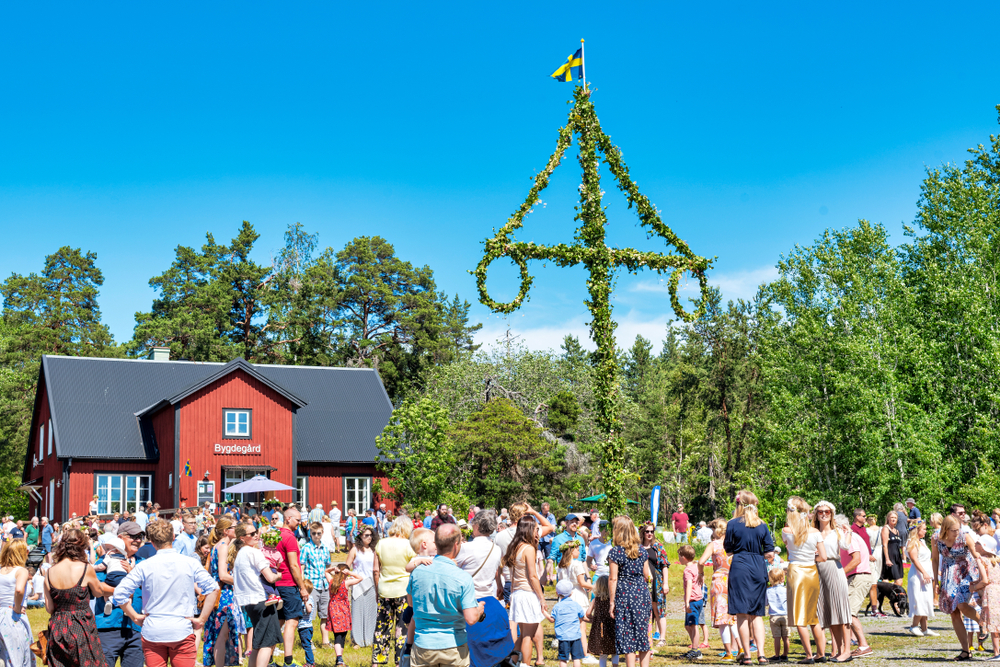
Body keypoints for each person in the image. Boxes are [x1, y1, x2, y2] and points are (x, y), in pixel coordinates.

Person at [112, 519, 220, 667]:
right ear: (173, 537)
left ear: (152, 542)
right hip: (181, 628)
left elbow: (119, 593)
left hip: (153, 629)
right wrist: (202, 619)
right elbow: (213, 588)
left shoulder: (144, 565)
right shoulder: (190, 563)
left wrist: (134, 616)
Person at [406, 523, 484, 667]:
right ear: (456, 545)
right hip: (453, 646)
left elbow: (411, 604)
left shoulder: (417, 572)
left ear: (436, 544)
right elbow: (471, 618)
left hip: (423, 645)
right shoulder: (462, 577)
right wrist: (478, 610)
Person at [44, 528, 116, 667]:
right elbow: (98, 592)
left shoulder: (49, 572)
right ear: (81, 547)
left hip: (58, 627)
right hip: (81, 625)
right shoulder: (85, 568)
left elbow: (49, 608)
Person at [724, 489, 775, 664]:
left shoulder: (732, 524)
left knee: (742, 614)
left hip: (740, 566)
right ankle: (761, 654)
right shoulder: (762, 525)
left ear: (739, 504)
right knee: (757, 614)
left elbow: (728, 549)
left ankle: (747, 655)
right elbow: (769, 552)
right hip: (758, 567)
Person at [503, 515, 553, 666]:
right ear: (529, 529)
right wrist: (542, 599)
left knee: (523, 634)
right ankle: (525, 664)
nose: (538, 532)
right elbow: (532, 576)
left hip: (517, 593)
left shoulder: (514, 547)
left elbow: (513, 576)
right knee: (527, 636)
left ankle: (512, 663)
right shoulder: (529, 548)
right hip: (527, 593)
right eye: (536, 529)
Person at [933, 514, 983, 661]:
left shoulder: (964, 537)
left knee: (961, 604)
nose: (957, 532)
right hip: (948, 576)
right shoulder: (936, 538)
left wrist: (983, 576)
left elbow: (977, 555)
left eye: (958, 529)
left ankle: (983, 623)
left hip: (965, 573)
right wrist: (936, 582)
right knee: (954, 613)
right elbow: (935, 559)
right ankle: (965, 651)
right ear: (945, 529)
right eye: (954, 530)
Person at [782, 496, 824, 663]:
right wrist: (811, 558)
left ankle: (808, 655)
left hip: (796, 572)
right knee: (813, 616)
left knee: (799, 616)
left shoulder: (786, 531)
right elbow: (823, 557)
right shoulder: (816, 532)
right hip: (812, 571)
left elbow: (788, 551)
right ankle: (821, 654)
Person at [372, 516, 416, 667]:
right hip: (403, 590)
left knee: (381, 627)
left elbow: (376, 570)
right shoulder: (409, 545)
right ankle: (399, 662)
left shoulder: (381, 543)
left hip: (384, 589)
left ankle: (377, 662)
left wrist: (377, 589)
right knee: (402, 628)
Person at [607, 516, 650, 667]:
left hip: (624, 595)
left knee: (628, 636)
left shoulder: (615, 552)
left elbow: (613, 578)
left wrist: (611, 602)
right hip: (642, 594)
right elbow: (646, 575)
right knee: (642, 634)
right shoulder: (642, 551)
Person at [813, 501, 851, 662]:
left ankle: (847, 651)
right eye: (820, 511)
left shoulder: (837, 532)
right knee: (830, 613)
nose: (823, 514)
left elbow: (845, 546)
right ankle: (839, 650)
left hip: (834, 569)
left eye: (827, 511)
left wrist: (848, 532)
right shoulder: (813, 532)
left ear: (831, 514)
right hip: (818, 571)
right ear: (816, 514)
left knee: (841, 611)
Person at [203, 517, 244, 667]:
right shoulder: (223, 546)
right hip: (224, 594)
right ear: (226, 531)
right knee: (222, 635)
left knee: (221, 634)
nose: (237, 529)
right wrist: (243, 582)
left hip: (219, 593)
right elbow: (223, 575)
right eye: (235, 527)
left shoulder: (218, 546)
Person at [834, 513, 873, 658]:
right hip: (856, 576)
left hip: (859, 576)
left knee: (849, 612)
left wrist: (841, 573)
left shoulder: (849, 537)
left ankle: (863, 645)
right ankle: (858, 644)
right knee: (848, 612)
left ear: (840, 526)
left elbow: (856, 559)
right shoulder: (846, 538)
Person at [698, 519, 737, 660]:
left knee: (722, 619)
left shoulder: (714, 544)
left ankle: (728, 652)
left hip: (719, 582)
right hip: (734, 581)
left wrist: (701, 573)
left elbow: (701, 561)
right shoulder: (734, 544)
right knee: (734, 618)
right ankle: (741, 648)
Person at [276, 507, 309, 665]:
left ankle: (268, 657)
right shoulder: (289, 537)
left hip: (276, 583)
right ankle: (288, 660)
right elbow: (294, 565)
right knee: (292, 621)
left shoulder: (275, 535)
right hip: (289, 583)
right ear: (288, 519)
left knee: (279, 621)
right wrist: (302, 587)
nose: (299, 523)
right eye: (297, 520)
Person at [557, 540, 594, 661]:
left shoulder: (561, 565)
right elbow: (582, 582)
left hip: (565, 596)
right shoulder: (577, 564)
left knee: (568, 626)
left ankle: (567, 653)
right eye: (577, 549)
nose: (579, 551)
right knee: (581, 627)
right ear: (572, 551)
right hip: (577, 595)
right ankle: (585, 654)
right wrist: (595, 587)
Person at [0, 540, 33, 667]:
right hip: (12, 616)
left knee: (4, 655)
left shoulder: (1, 570)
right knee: (17, 657)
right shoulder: (21, 571)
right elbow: (19, 590)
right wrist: (17, 607)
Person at [455, 511, 503, 599]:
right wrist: (499, 585)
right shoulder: (497, 549)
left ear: (477, 526)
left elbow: (452, 569)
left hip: (468, 598)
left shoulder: (465, 547)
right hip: (488, 596)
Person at [300, 522, 332, 648]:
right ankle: (309, 641)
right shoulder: (306, 548)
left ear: (322, 533)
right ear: (310, 534)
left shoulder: (325, 548)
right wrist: (302, 585)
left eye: (318, 533)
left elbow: (328, 566)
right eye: (313, 533)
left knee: (325, 614)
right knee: (309, 615)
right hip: (312, 585)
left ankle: (325, 641)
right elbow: (302, 567)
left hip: (324, 584)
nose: (316, 536)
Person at [638, 522, 670, 649]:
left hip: (657, 582)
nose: (650, 534)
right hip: (642, 582)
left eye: (652, 531)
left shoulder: (658, 547)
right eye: (647, 531)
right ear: (642, 532)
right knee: (644, 610)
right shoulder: (638, 547)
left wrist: (665, 583)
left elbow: (665, 565)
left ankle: (662, 638)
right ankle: (647, 636)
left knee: (658, 610)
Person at [326, 564, 364, 666]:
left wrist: (333, 569)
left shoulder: (331, 581)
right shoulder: (346, 583)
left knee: (338, 635)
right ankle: (339, 659)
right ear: (345, 572)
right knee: (341, 636)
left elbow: (326, 572)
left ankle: (339, 661)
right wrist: (350, 573)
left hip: (333, 610)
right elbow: (360, 578)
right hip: (343, 611)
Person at [347, 524, 378, 647]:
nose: (369, 537)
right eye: (366, 535)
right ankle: (357, 640)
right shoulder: (355, 550)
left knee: (371, 612)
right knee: (357, 613)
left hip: (371, 584)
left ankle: (369, 639)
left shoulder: (375, 550)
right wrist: (348, 579)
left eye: (371, 535)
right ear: (360, 536)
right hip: (358, 585)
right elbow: (347, 566)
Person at [906, 519, 935, 637]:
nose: (926, 531)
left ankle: (924, 628)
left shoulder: (922, 541)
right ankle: (914, 626)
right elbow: (914, 559)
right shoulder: (912, 542)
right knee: (920, 600)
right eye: (924, 529)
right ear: (917, 530)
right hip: (918, 575)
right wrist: (924, 573)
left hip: (926, 574)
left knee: (926, 599)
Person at [679, 544, 706, 660]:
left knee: (694, 625)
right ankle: (694, 647)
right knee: (687, 625)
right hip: (698, 599)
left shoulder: (688, 570)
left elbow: (689, 585)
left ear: (684, 557)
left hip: (693, 601)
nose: (679, 558)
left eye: (679, 556)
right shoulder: (696, 567)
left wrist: (687, 602)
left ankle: (696, 650)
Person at [584, 575, 617, 667]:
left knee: (603, 653)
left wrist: (594, 619)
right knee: (615, 651)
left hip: (601, 629)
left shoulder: (596, 600)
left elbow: (588, 613)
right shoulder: (613, 600)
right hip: (613, 627)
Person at [553, 579, 586, 667]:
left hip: (563, 637)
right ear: (571, 593)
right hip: (575, 636)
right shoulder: (576, 605)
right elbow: (583, 616)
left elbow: (552, 619)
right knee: (576, 658)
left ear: (557, 593)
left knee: (563, 659)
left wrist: (544, 612)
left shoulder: (557, 606)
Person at [766, 568, 788, 662]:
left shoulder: (768, 591)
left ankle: (777, 655)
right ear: (782, 578)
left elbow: (766, 603)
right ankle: (785, 655)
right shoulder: (785, 590)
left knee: (777, 638)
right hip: (785, 615)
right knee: (786, 637)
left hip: (774, 616)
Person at [881, 510, 904, 586]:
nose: (893, 519)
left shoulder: (897, 531)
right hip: (890, 556)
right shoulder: (886, 529)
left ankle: (888, 590)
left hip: (897, 557)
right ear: (888, 518)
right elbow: (884, 545)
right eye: (892, 517)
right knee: (896, 581)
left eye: (895, 518)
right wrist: (887, 559)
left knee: (899, 580)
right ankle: (883, 589)